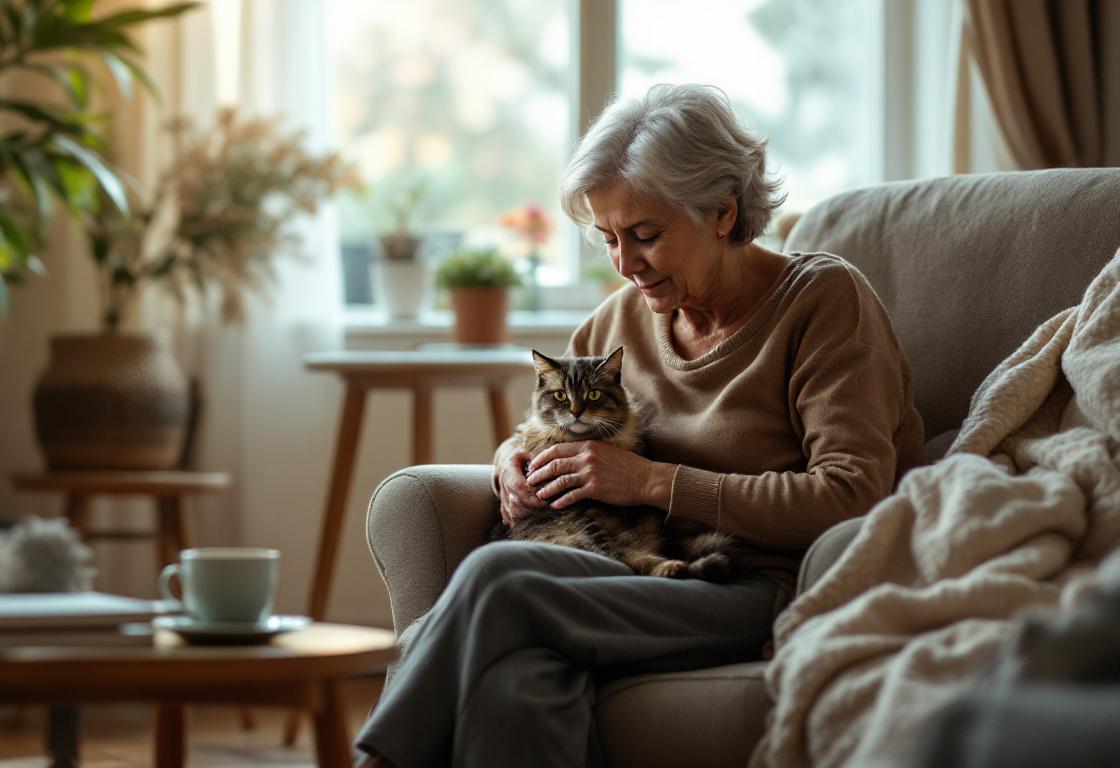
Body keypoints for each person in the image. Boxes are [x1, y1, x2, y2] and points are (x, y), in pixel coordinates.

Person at [355, 83, 925, 767]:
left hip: (746, 584)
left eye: (646, 236)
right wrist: (512, 461)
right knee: (515, 677)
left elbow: (852, 494)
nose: (625, 265)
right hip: (619, 571)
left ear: (722, 210)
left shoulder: (823, 302)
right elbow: (552, 419)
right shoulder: (621, 319)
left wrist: (652, 482)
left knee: (500, 577)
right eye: (608, 239)